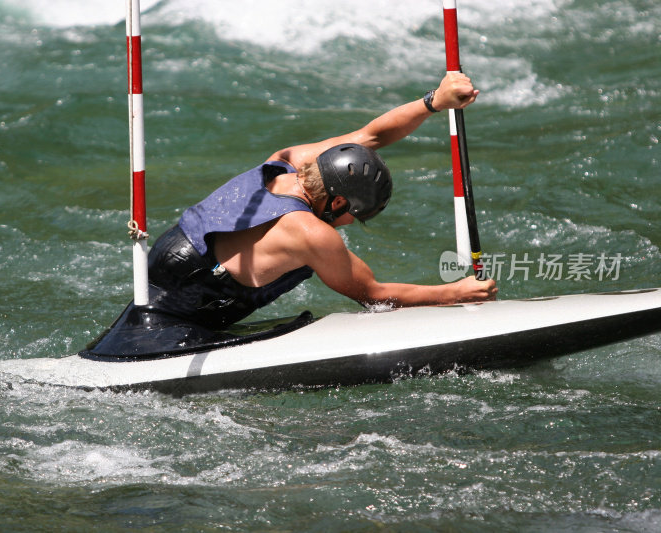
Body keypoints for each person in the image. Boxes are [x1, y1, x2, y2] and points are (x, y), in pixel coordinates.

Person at [82, 72, 497, 358]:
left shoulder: (291, 161)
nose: (352, 223)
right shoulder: (311, 233)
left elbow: (371, 136)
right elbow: (372, 294)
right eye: (355, 214)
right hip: (178, 317)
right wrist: (456, 293)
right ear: (336, 204)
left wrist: (433, 102)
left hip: (165, 268)